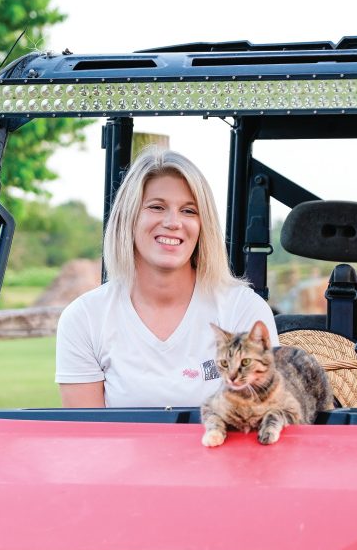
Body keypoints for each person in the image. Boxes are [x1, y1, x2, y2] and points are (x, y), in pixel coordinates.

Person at [55, 147, 278, 408]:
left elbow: (260, 420)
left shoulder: (243, 310)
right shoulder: (84, 318)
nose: (173, 222)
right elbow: (87, 430)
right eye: (157, 207)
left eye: (189, 211)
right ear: (128, 218)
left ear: (203, 225)